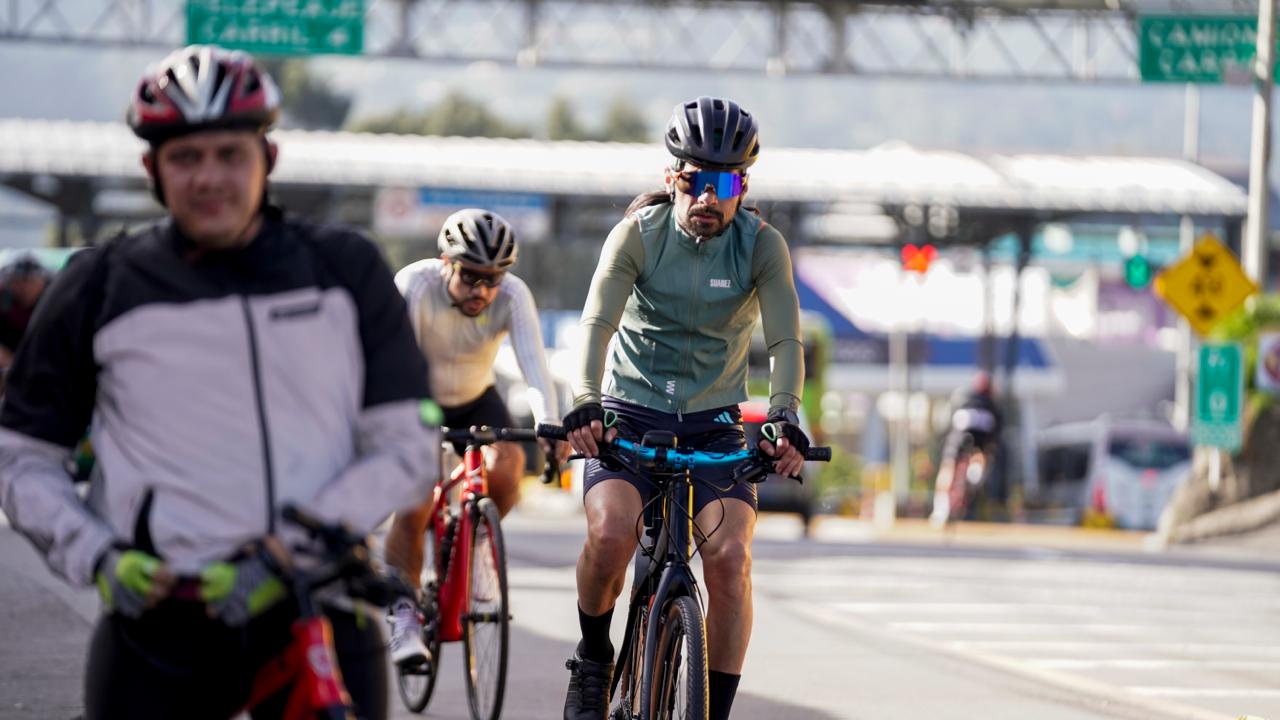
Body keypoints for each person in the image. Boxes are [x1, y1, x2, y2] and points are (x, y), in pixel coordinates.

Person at [0, 45, 440, 720]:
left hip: (318, 604)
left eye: (230, 154)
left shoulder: (345, 271)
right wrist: (98, 556)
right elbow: (22, 456)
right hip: (159, 618)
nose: (208, 178)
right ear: (152, 169)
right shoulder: (100, 284)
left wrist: (283, 557)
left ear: (269, 157)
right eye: (185, 158)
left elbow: (408, 446)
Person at [560, 96, 810, 720]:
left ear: (742, 188)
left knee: (731, 560)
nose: (708, 198)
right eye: (696, 180)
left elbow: (785, 341)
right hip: (629, 411)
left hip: (714, 420)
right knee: (610, 534)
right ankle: (593, 659)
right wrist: (584, 402)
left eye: (724, 185)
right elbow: (595, 325)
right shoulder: (638, 235)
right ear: (673, 176)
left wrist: (784, 415)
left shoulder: (761, 246)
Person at [383, 207, 570, 666]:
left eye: (493, 279)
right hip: (419, 395)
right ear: (445, 263)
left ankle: (479, 542)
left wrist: (550, 423)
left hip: (476, 396)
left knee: (508, 469)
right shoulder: (415, 285)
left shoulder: (513, 294)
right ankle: (403, 614)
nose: (482, 291)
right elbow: (396, 363)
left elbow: (534, 365)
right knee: (415, 501)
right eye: (470, 276)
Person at [930, 370, 1003, 525]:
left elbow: (947, 421)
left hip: (959, 434)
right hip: (980, 438)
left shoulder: (962, 396)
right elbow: (995, 436)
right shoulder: (993, 405)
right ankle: (975, 473)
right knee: (983, 454)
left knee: (948, 466)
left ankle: (941, 507)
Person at [0, 254, 53, 377]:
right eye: (18, 281)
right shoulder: (4, 302)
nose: (25, 288)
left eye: (31, 281)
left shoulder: (52, 303)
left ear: (42, 282)